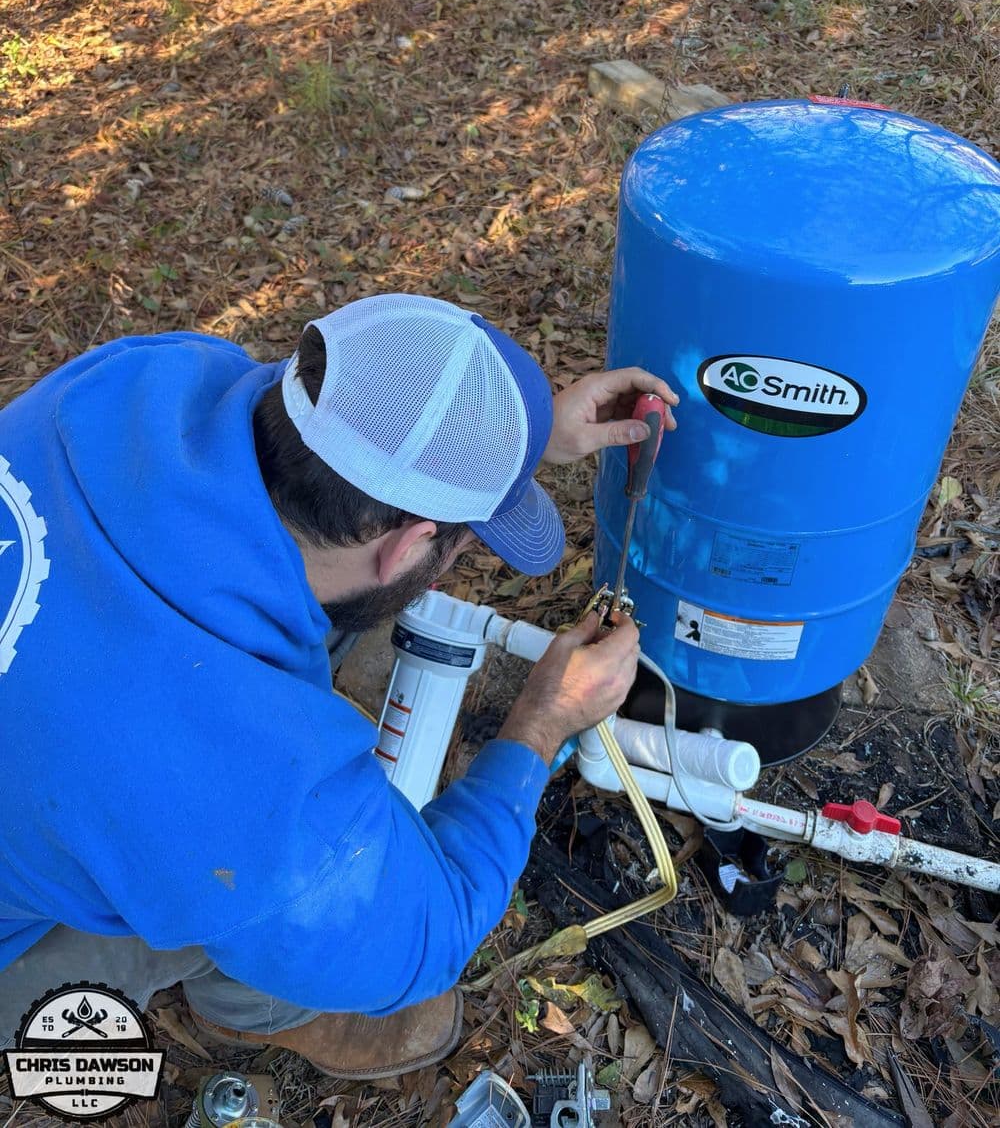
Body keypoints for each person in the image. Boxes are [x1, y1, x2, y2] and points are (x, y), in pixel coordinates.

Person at [0, 293, 676, 1079]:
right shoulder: (238, 784)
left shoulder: (148, 378)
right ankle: (260, 1009)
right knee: (213, 901)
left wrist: (516, 437)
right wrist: (541, 723)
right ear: (410, 546)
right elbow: (432, 927)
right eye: (459, 546)